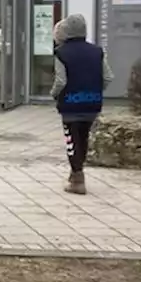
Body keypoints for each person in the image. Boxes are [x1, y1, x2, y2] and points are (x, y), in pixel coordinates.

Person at [51, 13, 112, 195]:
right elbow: (108, 76)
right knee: (83, 138)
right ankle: (76, 172)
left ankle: (77, 178)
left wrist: (54, 95)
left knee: (71, 139)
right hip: (92, 102)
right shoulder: (97, 51)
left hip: (70, 103)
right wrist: (96, 90)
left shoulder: (61, 52)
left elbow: (61, 81)